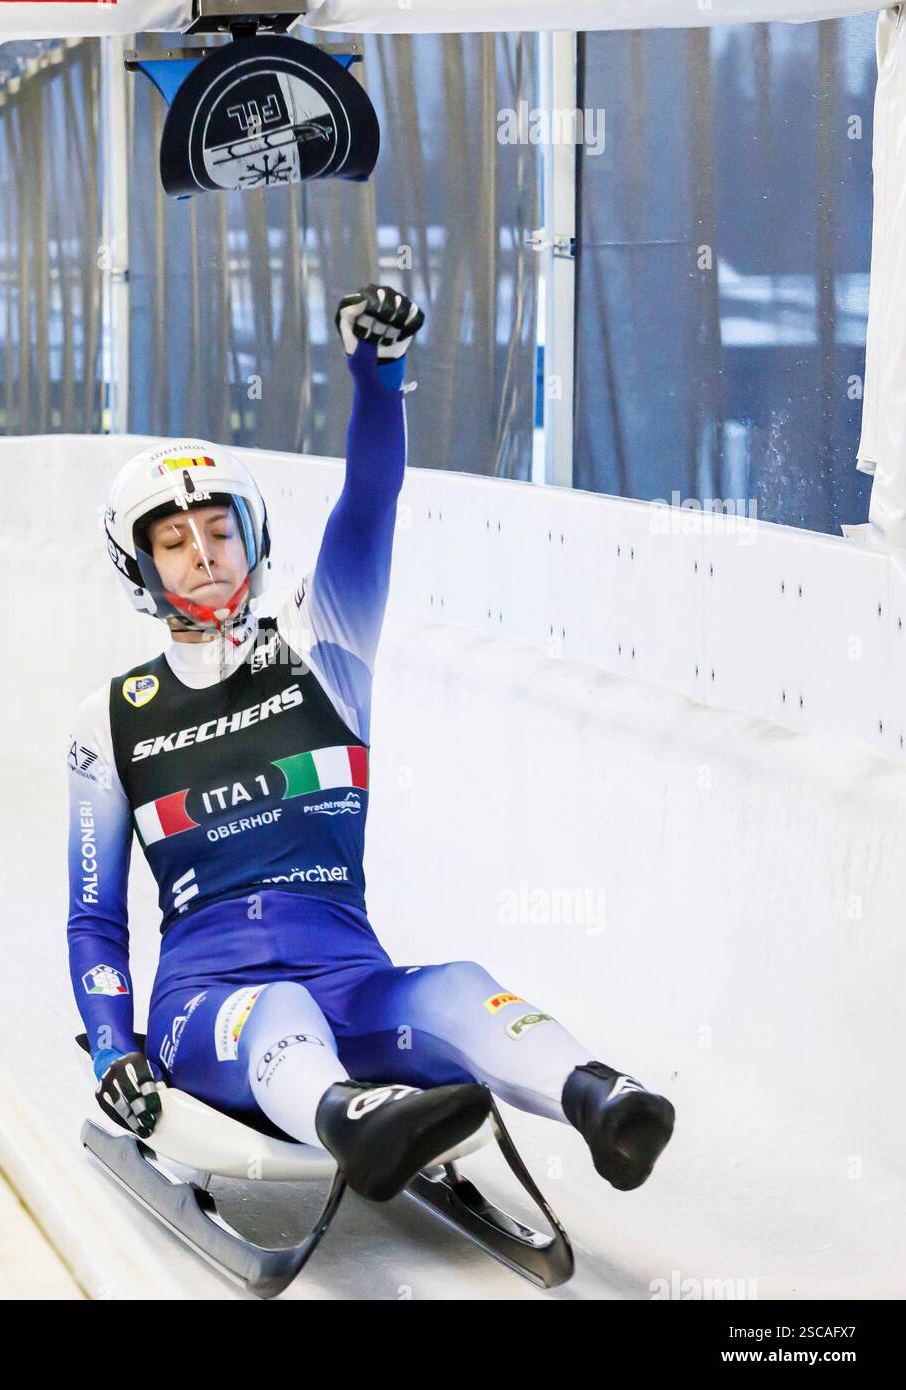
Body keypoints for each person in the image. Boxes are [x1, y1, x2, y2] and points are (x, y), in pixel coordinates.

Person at [66, 284, 674, 1202]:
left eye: (220, 530)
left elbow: (369, 499)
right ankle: (352, 1118)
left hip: (352, 981)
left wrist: (378, 380)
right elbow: (93, 916)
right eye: (176, 540)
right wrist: (115, 1045)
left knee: (456, 983)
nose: (205, 553)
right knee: (278, 1011)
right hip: (208, 1007)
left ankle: (598, 1100)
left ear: (253, 539)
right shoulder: (109, 720)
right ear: (141, 567)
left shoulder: (324, 645)